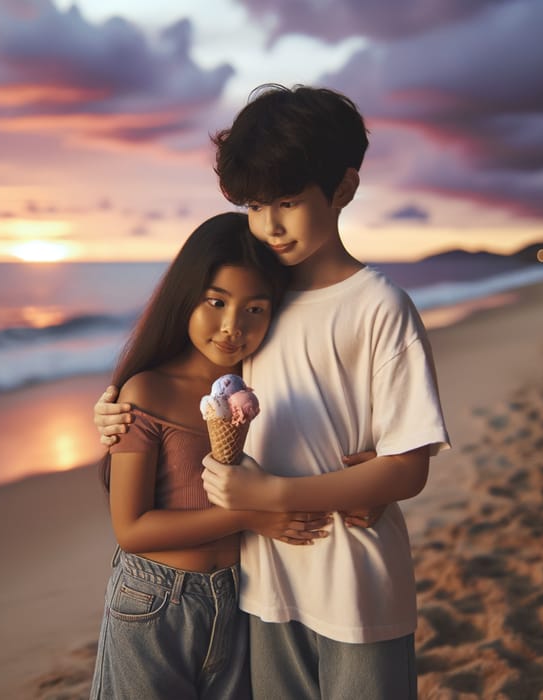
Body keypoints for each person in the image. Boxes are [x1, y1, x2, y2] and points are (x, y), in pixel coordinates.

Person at [96, 84, 450, 699]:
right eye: (256, 206)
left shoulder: (379, 307)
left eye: (286, 202)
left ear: (342, 189)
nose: (269, 225)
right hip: (262, 593)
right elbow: (193, 392)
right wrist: (111, 407)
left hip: (356, 584)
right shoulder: (261, 307)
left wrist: (282, 494)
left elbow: (407, 468)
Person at [88, 212, 332, 700]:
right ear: (187, 297)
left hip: (239, 596)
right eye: (216, 302)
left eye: (255, 309)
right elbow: (132, 529)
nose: (231, 328)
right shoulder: (147, 390)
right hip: (156, 601)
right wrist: (253, 516)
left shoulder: (265, 381)